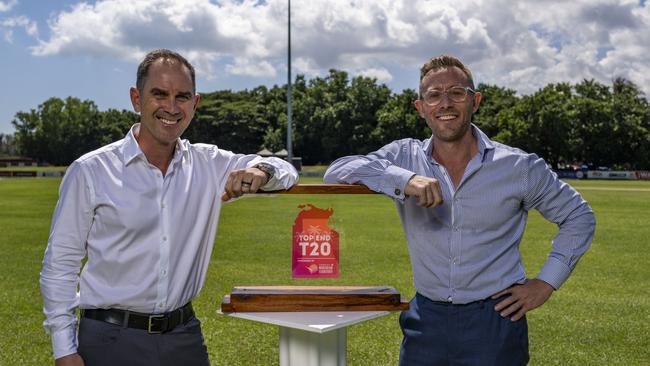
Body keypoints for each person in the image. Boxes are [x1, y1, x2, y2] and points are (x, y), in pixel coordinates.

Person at [324, 55, 595, 365]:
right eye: (434, 95)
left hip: (495, 319)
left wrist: (546, 283)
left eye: (456, 92)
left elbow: (579, 216)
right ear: (421, 107)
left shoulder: (519, 166)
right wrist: (404, 179)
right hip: (426, 319)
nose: (445, 103)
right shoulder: (403, 156)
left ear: (475, 100)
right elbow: (339, 170)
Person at [40, 49, 298, 366]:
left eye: (182, 97)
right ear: (136, 99)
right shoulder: (91, 170)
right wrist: (64, 350)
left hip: (183, 338)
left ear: (195, 103)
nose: (171, 108)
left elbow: (284, 170)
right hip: (109, 340)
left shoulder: (209, 163)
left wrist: (262, 171)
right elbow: (60, 264)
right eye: (159, 94)